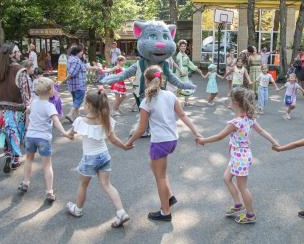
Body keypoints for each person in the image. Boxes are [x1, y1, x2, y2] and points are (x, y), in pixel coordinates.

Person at [126, 65, 201, 221]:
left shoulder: (147, 101)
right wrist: (196, 132)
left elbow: (141, 129)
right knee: (154, 167)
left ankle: (165, 212)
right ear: (161, 80)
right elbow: (183, 116)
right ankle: (170, 196)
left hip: (160, 142)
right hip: (172, 140)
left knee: (160, 177)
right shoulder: (170, 95)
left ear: (146, 81)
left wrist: (129, 142)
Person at [197, 88, 280, 224]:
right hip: (241, 156)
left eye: (231, 100)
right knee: (226, 178)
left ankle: (250, 215)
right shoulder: (248, 119)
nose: (229, 102)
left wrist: (203, 140)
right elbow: (262, 131)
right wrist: (274, 141)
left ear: (236, 103)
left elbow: (219, 137)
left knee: (243, 187)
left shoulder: (235, 123)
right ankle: (237, 205)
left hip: (240, 157)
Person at [66, 89, 132, 228]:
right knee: (107, 185)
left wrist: (67, 134)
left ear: (88, 105)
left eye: (85, 102)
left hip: (90, 158)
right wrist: (124, 147)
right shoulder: (105, 120)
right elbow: (113, 139)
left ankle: (77, 209)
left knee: (83, 184)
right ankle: (121, 212)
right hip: (104, 155)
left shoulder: (80, 121)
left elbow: (70, 134)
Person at [18, 77, 73, 201]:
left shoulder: (33, 102)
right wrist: (64, 132)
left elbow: (27, 111)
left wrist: (29, 111)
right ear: (50, 91)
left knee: (28, 160)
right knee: (47, 165)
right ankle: (49, 191)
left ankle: (25, 182)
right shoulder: (49, 106)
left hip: (30, 136)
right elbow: (56, 121)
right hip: (43, 138)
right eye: (53, 87)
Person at [0, 44, 31, 172]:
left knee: (5, 132)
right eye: (17, 51)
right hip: (17, 111)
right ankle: (15, 160)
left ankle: (7, 154)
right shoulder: (20, 70)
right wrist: (29, 107)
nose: (20, 53)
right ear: (11, 55)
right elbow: (25, 93)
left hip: (1, 110)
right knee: (16, 134)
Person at [60, 45, 87, 123]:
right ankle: (70, 114)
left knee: (75, 100)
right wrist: (62, 81)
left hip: (72, 85)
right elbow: (72, 73)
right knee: (78, 100)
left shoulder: (70, 59)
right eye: (82, 51)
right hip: (79, 84)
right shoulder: (77, 60)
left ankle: (76, 116)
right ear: (78, 52)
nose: (83, 53)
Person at [174, 40, 203, 106]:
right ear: (179, 47)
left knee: (187, 88)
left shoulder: (185, 55)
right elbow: (180, 64)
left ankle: (186, 102)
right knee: (179, 89)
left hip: (185, 74)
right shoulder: (179, 55)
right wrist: (181, 72)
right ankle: (175, 103)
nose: (183, 47)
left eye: (184, 46)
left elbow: (190, 64)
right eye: (182, 46)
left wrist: (197, 69)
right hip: (180, 74)